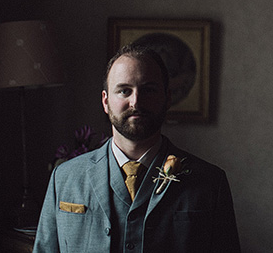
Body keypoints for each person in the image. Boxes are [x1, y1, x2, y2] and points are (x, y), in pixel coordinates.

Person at [33, 44, 241, 252]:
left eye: (148, 90)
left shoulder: (211, 182)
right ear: (105, 102)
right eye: (124, 91)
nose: (136, 101)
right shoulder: (64, 178)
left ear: (167, 98)